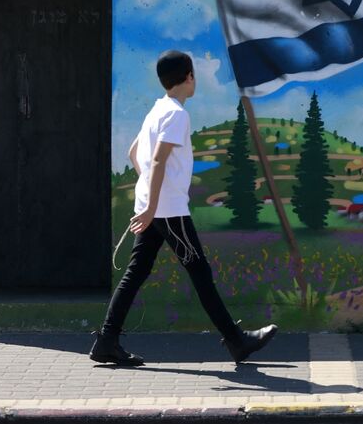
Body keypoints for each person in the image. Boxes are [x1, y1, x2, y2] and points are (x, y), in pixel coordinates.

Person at [90, 50, 277, 366]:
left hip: (157, 207)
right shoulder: (176, 114)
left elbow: (134, 152)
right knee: (200, 272)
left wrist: (148, 194)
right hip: (169, 210)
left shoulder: (158, 109)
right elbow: (159, 159)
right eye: (194, 75)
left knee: (136, 272)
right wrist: (153, 205)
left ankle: (107, 340)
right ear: (189, 77)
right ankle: (236, 341)